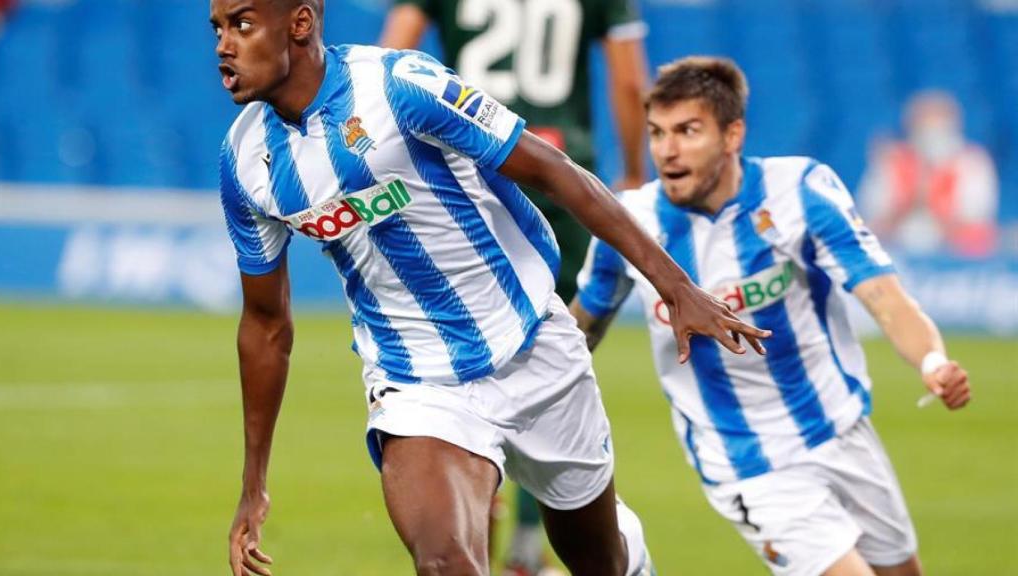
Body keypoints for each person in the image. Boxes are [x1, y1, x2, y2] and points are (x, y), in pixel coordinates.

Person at [209, 2, 768, 575]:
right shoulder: (245, 160)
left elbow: (553, 169)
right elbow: (266, 324)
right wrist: (253, 484)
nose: (224, 45)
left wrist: (676, 287)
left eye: (242, 25)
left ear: (300, 23)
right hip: (416, 380)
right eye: (218, 29)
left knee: (599, 560)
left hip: (533, 344)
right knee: (445, 563)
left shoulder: (399, 86)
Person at [572, 56, 972, 576]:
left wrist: (933, 362)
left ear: (732, 135)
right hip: (748, 463)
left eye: (687, 131)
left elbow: (885, 298)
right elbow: (579, 331)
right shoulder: (629, 224)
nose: (667, 150)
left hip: (841, 430)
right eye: (656, 133)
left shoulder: (800, 192)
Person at [380, 1, 649, 572]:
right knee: (553, 354)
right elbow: (628, 80)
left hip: (468, 175)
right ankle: (529, 540)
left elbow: (389, 56)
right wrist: (632, 170)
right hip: (559, 172)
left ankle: (477, 505)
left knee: (457, 355)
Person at [858, 90, 999, 257]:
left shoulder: (972, 162)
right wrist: (910, 199)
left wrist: (933, 198)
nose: (931, 134)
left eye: (938, 126)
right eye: (924, 126)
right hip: (898, 251)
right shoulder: (890, 161)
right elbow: (871, 219)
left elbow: (976, 221)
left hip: (954, 257)